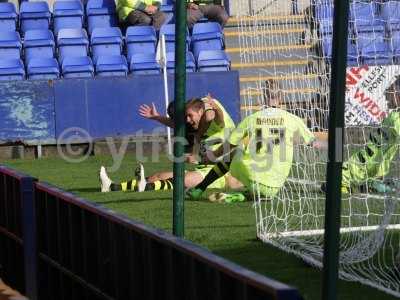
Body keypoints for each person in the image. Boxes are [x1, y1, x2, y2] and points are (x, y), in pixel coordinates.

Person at [187, 86, 326, 203]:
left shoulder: (252, 119)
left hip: (249, 173)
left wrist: (211, 156)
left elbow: (229, 145)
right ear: (282, 98)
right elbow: (314, 144)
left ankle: (199, 188)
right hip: (273, 185)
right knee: (266, 191)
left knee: (236, 152)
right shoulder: (294, 119)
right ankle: (243, 196)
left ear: (262, 99)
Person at [100, 95, 243, 192]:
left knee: (184, 181)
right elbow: (177, 124)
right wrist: (156, 117)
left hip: (220, 172)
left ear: (201, 111)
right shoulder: (196, 122)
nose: (188, 120)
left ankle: (145, 187)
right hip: (203, 166)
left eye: (190, 116)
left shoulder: (215, 121)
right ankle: (113, 187)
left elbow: (213, 116)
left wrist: (213, 107)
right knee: (157, 176)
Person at [336, 79, 400, 194]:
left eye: (390, 94)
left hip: (363, 166)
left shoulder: (394, 118)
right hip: (360, 169)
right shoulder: (394, 118)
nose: (386, 97)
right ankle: (370, 184)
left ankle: (371, 184)